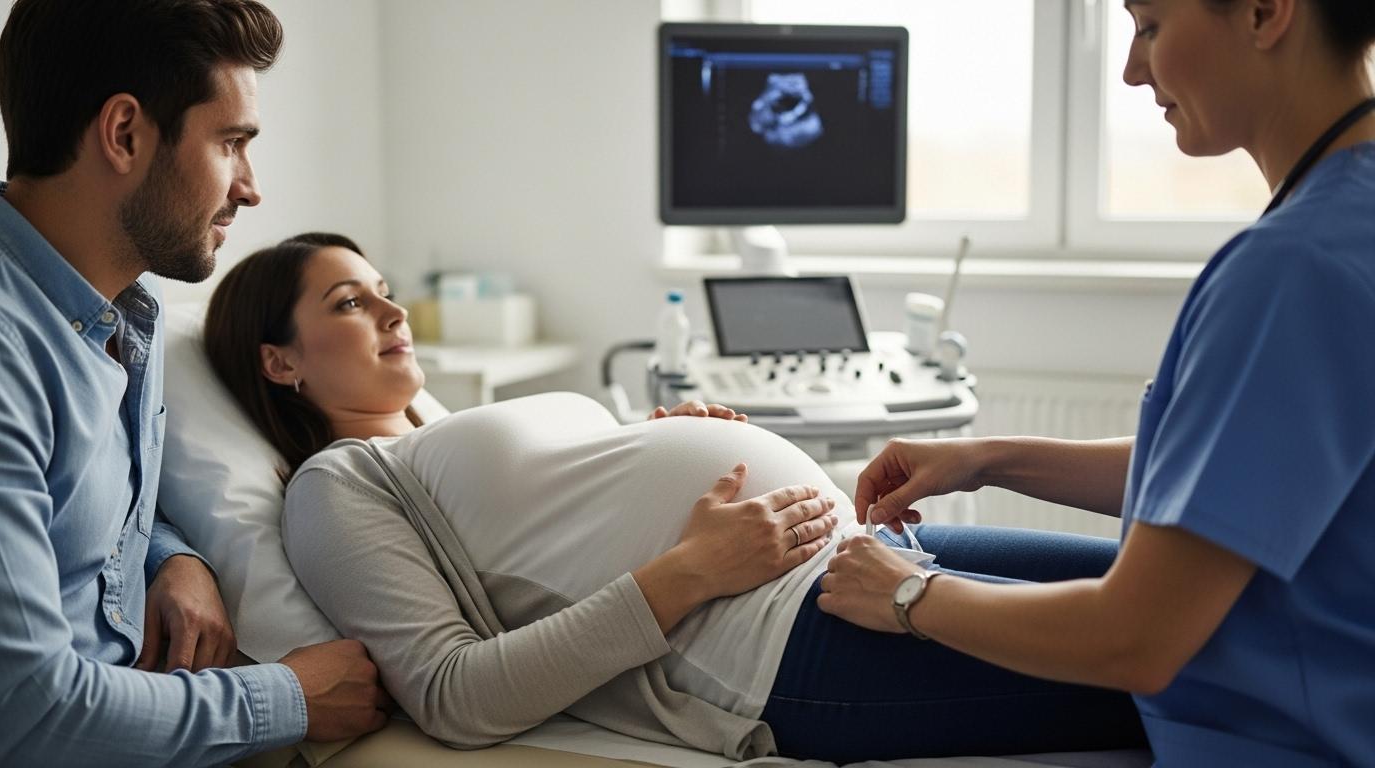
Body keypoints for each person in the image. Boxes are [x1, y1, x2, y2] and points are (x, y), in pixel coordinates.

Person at [204, 232, 1148, 762]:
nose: (392, 310)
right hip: (779, 645)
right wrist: (688, 571)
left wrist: (652, 441)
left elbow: (561, 521)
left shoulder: (438, 433)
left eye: (382, 289)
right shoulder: (335, 485)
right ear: (279, 362)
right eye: (349, 304)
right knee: (1167, 662)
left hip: (856, 561)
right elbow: (454, 694)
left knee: (1163, 596)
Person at [821, 0, 1375, 765]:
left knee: (880, 583)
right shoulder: (1347, 220)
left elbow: (1137, 639)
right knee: (925, 552)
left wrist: (908, 596)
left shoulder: (1293, 270)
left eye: (1149, 26)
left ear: (1263, 11)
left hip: (1285, 738)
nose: (1130, 70)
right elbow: (1230, 474)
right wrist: (987, 458)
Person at [0, 2, 391, 765]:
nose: (250, 188)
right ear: (125, 134)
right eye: (231, 144)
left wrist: (169, 555)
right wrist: (292, 696)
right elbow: (21, 712)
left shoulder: (131, 305)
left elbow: (70, 499)